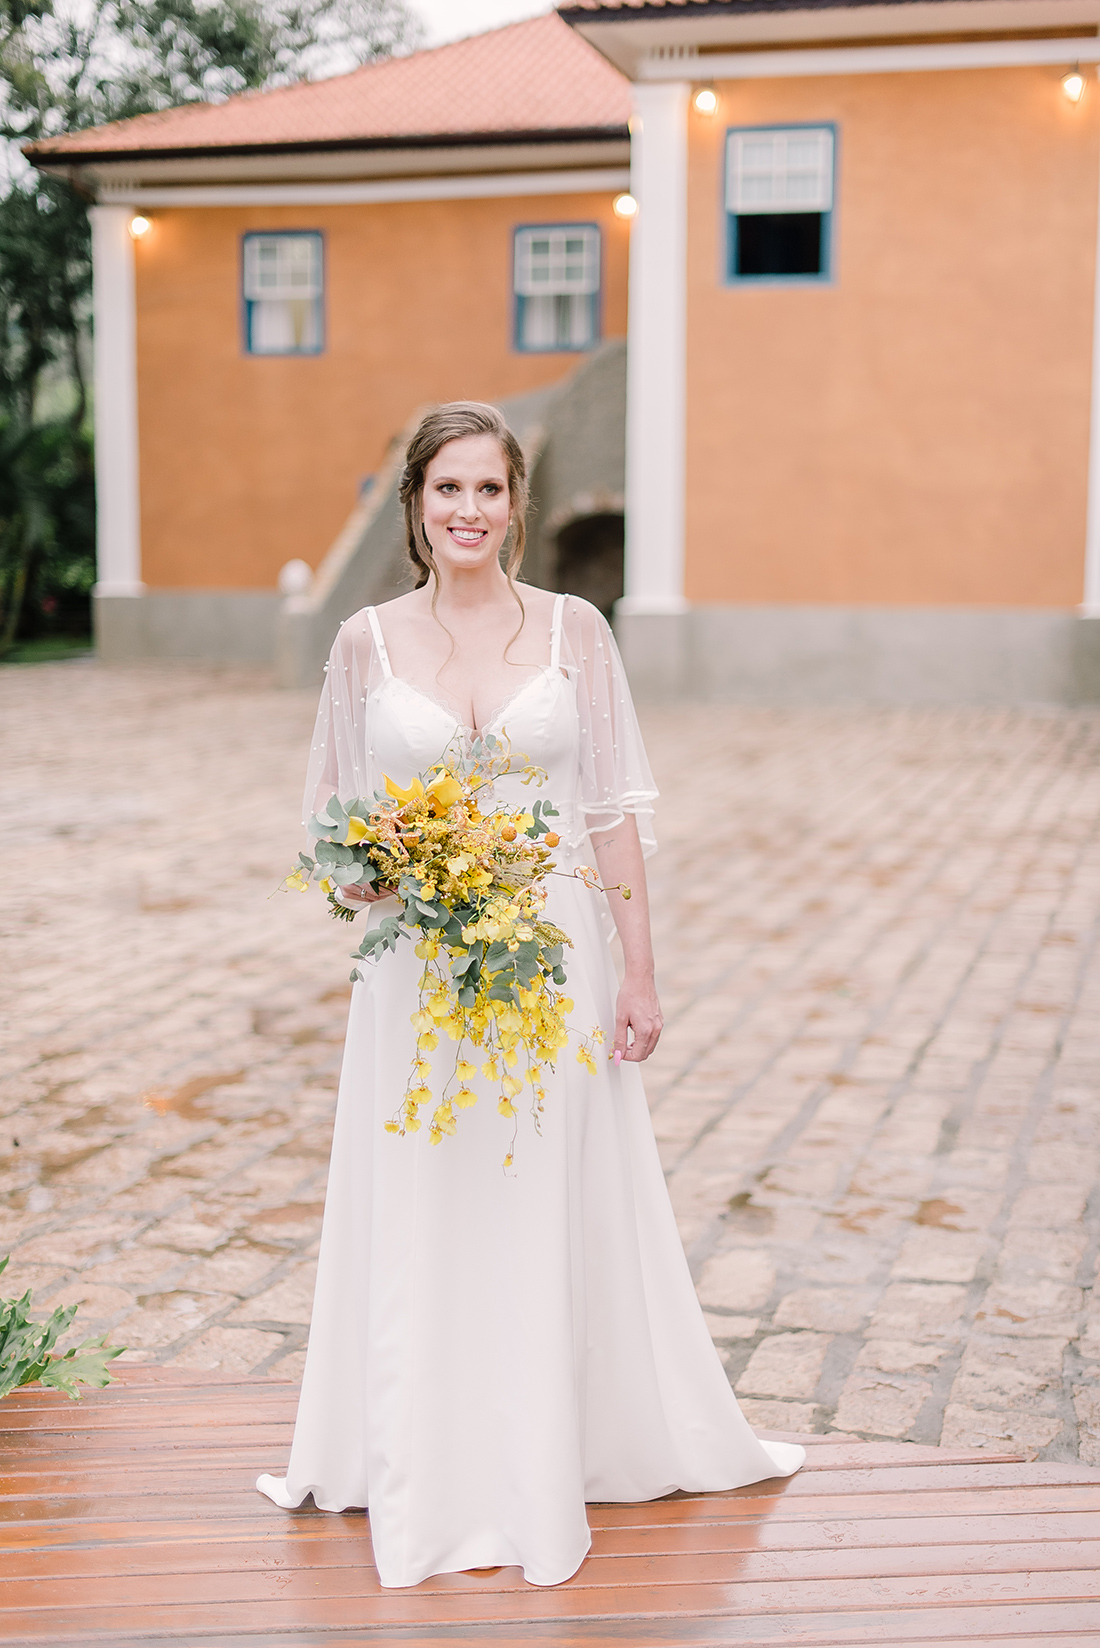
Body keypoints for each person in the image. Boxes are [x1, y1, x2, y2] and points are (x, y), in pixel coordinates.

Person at [257, 401, 803, 1588]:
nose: (468, 510)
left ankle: (549, 1441)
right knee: (429, 1186)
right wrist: (382, 869)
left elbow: (609, 814)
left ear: (517, 504)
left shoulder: (574, 631)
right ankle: (424, 1446)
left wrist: (638, 970)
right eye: (446, 488)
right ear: (414, 504)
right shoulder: (363, 643)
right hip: (416, 971)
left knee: (540, 1184)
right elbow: (336, 840)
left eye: (488, 489)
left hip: (554, 962)